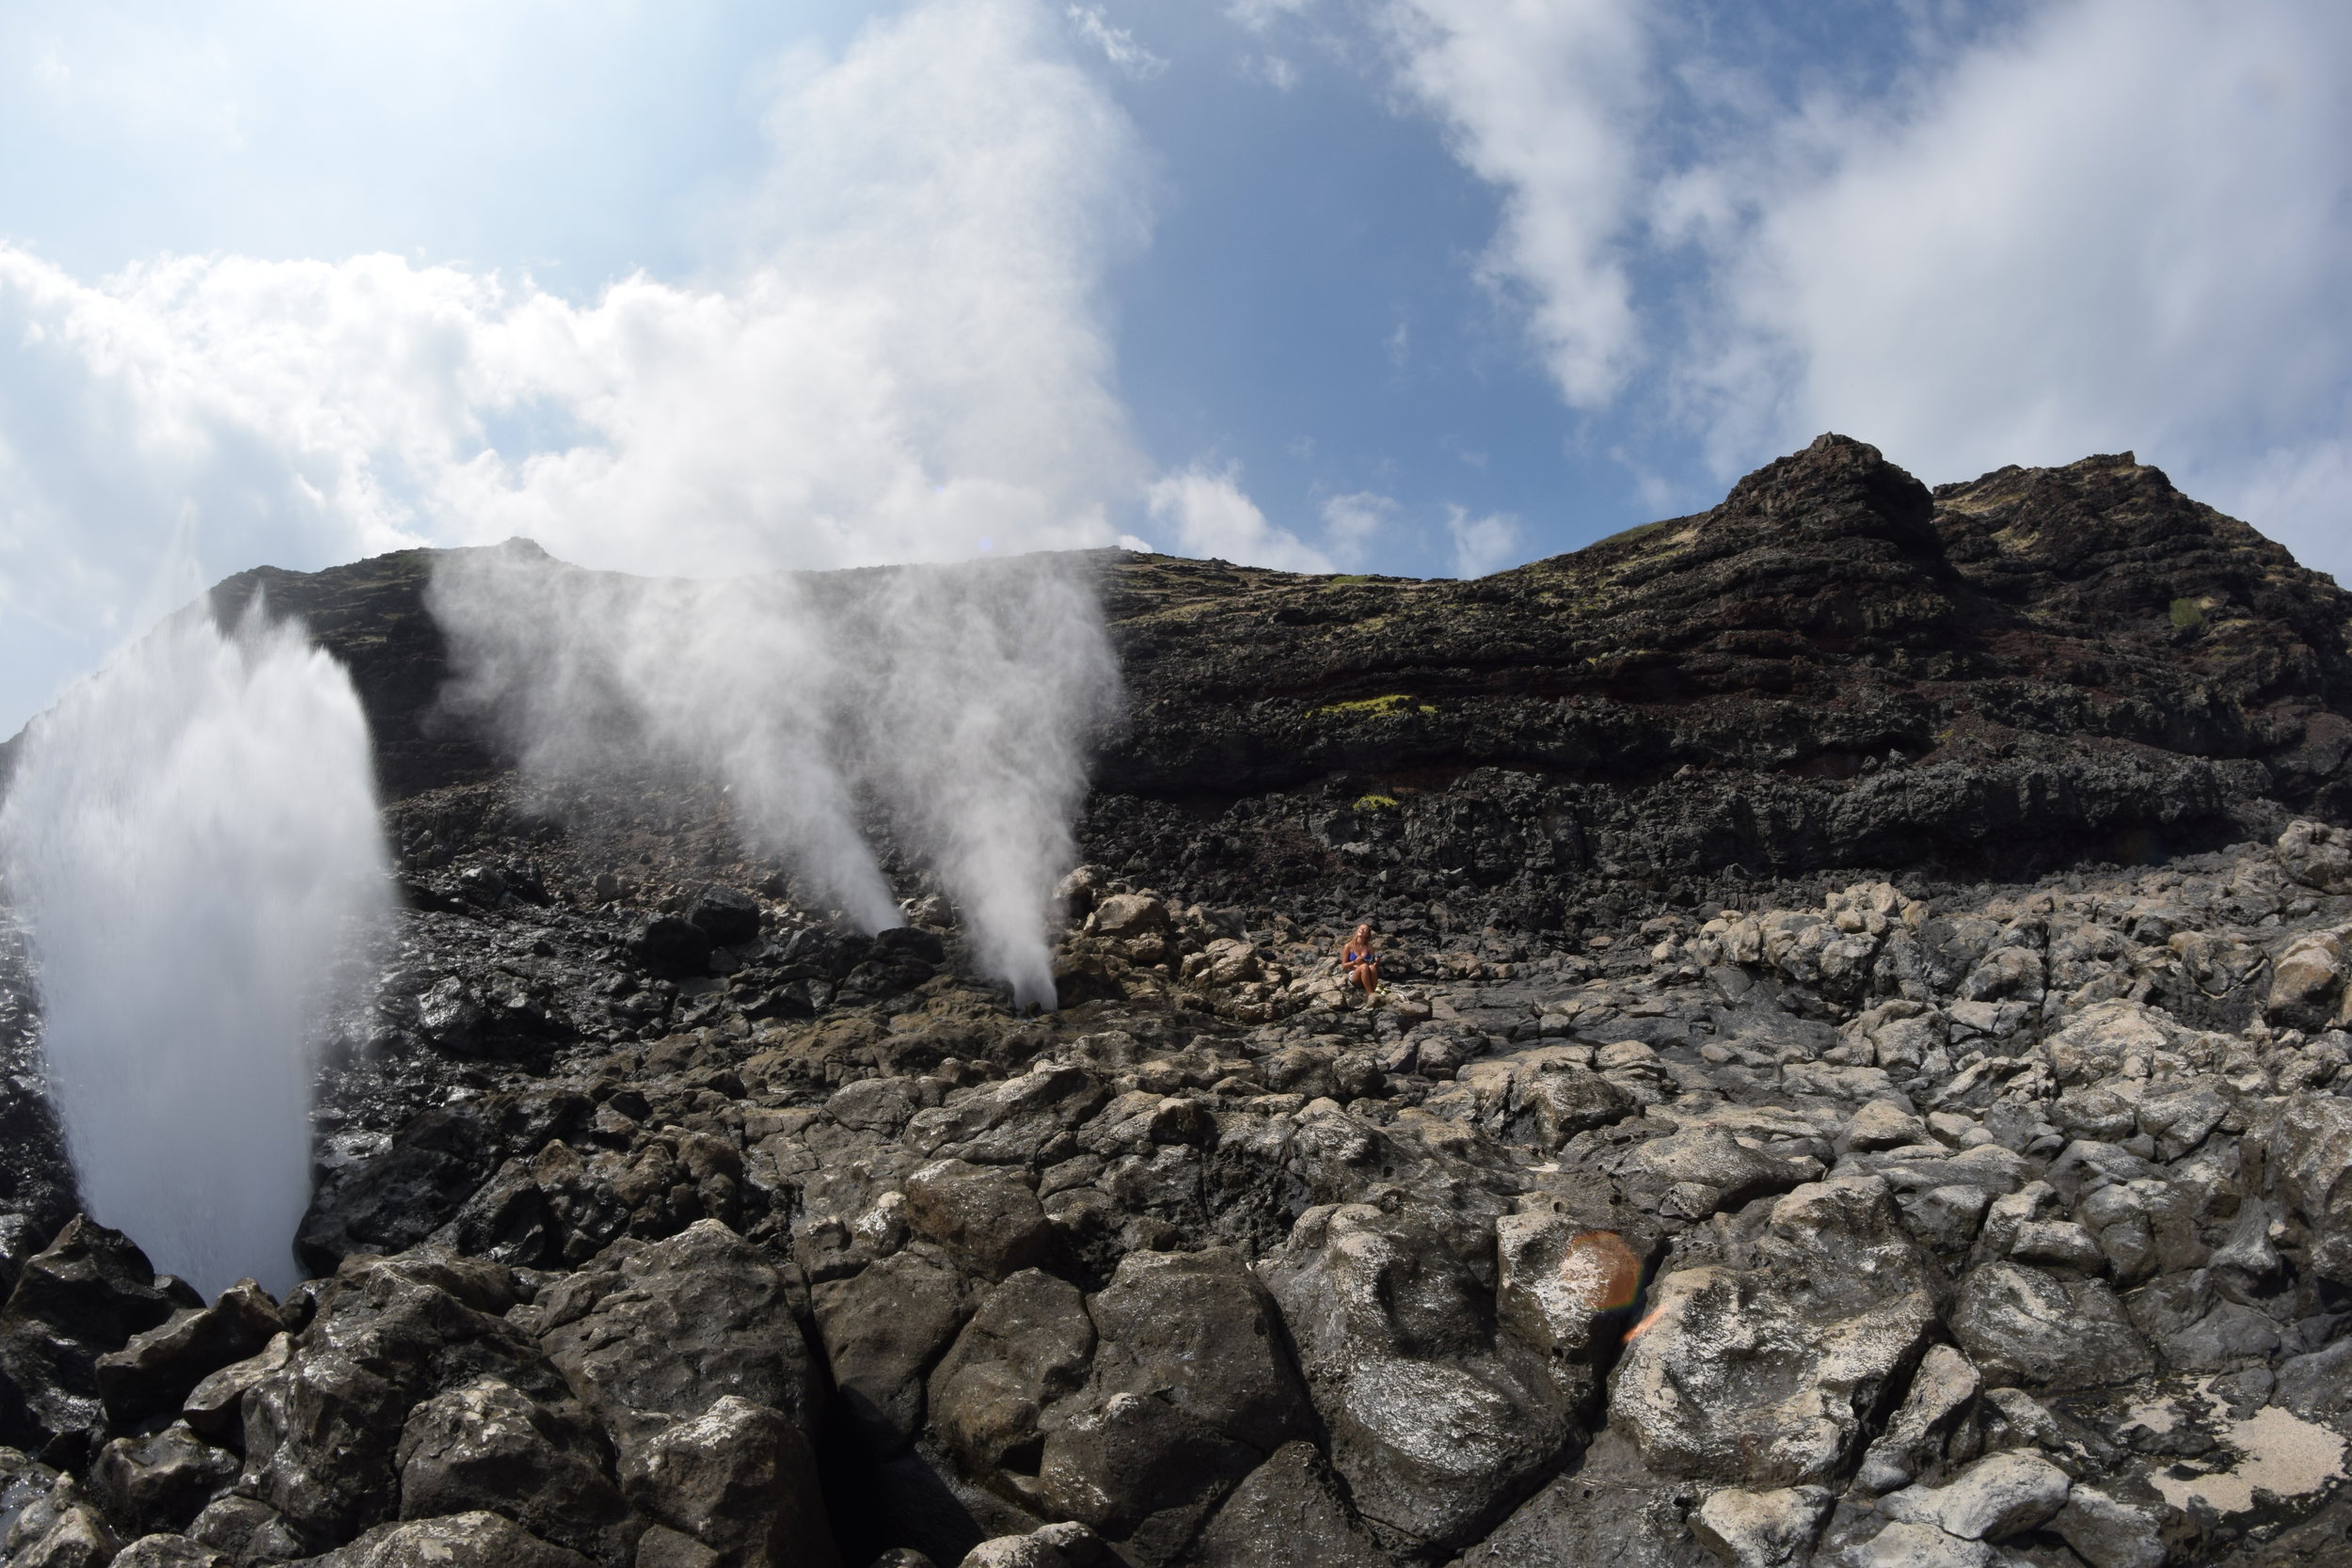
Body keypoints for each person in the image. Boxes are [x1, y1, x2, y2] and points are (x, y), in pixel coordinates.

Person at [1337, 922, 1380, 1000]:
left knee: (1371, 967)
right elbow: (1343, 965)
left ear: (1367, 934)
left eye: (1365, 929)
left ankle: (1372, 993)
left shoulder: (1369, 947)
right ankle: (1371, 994)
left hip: (1368, 974)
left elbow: (1373, 966)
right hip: (1354, 974)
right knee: (1364, 966)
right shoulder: (1349, 946)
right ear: (1357, 931)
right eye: (1360, 928)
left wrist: (1377, 962)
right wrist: (1354, 962)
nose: (1362, 929)